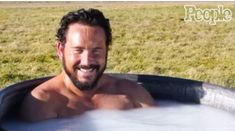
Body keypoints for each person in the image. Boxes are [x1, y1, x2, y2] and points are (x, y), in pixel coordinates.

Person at [20, 8, 155, 122]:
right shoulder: (44, 103)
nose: (87, 62)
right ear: (60, 50)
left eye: (96, 51)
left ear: (107, 49)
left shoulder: (132, 93)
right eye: (78, 50)